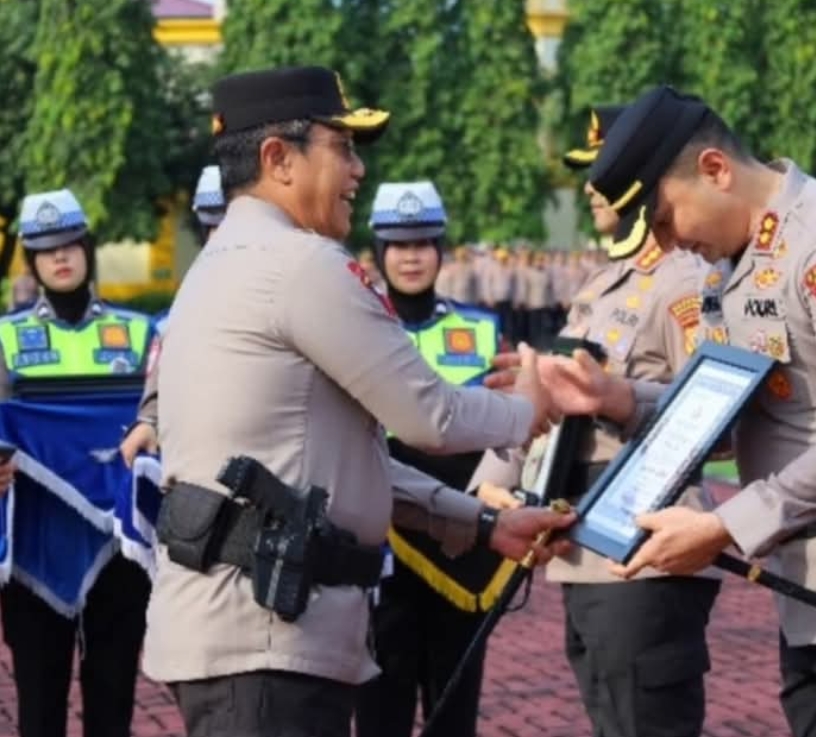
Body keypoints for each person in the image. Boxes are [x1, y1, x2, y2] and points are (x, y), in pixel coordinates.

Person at [141, 65, 573, 737]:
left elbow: (334, 463)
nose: (357, 170)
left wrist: (483, 524)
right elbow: (430, 416)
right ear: (278, 159)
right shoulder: (299, 263)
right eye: (341, 147)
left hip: (245, 629)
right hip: (265, 642)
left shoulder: (223, 262)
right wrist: (528, 409)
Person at [540, 85, 816, 736]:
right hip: (813, 591)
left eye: (664, 219)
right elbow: (731, 417)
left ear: (715, 169)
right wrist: (615, 398)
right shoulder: (732, 267)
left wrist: (726, 524)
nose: (668, 243)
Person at [472, 105, 720, 737]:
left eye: (602, 173)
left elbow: (716, 421)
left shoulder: (685, 280)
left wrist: (615, 396)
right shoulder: (602, 283)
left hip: (646, 546)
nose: (588, 188)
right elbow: (561, 400)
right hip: (582, 541)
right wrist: (496, 479)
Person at [355, 180, 520, 737]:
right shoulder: (357, 329)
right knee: (380, 707)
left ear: (440, 250)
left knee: (455, 706)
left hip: (463, 542)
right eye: (398, 245)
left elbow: (508, 434)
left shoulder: (482, 331)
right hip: (381, 545)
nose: (411, 257)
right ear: (379, 252)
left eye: (423, 243)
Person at [0, 188, 154, 737]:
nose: (60, 257)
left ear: (87, 248)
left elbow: (168, 413)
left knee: (114, 698)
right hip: (36, 547)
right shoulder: (6, 338)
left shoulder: (140, 333)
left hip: (120, 546)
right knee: (39, 703)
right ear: (31, 259)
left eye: (69, 244)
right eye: (46, 249)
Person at [119, 164, 226, 466]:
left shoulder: (290, 294)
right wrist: (149, 423)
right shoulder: (177, 319)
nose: (225, 237)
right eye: (214, 227)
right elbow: (156, 400)